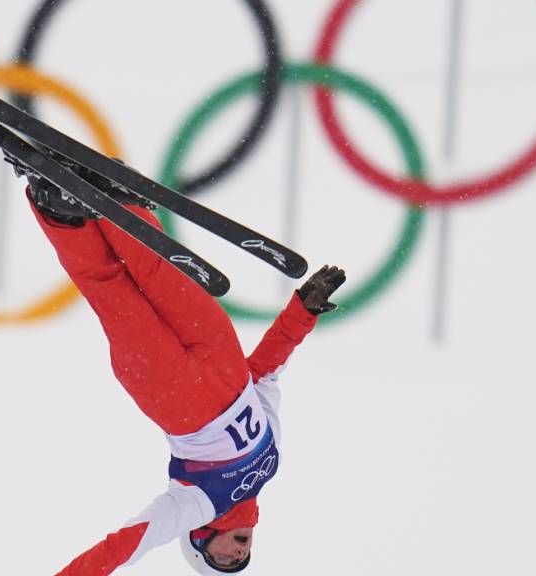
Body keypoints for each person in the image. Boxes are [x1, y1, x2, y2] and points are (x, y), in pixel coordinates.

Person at [22, 163, 346, 575]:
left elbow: (121, 548)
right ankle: (116, 202)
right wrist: (303, 311)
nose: (237, 557)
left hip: (173, 394)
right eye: (240, 562)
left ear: (199, 542)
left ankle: (63, 212)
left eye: (221, 561)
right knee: (160, 269)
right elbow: (265, 372)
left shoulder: (193, 507)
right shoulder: (272, 460)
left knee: (111, 288)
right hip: (221, 355)